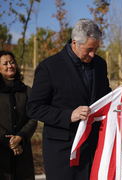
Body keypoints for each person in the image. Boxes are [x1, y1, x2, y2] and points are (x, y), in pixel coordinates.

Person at [26, 18, 112, 180]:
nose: (93, 54)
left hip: (93, 148)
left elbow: (106, 96)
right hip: (61, 151)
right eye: (89, 49)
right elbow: (34, 107)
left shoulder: (100, 64)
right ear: (74, 43)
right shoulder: (49, 67)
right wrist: (68, 115)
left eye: (96, 49)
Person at [0, 50, 37, 180]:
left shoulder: (27, 91)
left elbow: (33, 118)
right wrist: (10, 142)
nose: (10, 66)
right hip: (2, 152)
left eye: (12, 62)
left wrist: (20, 137)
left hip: (23, 151)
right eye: (5, 63)